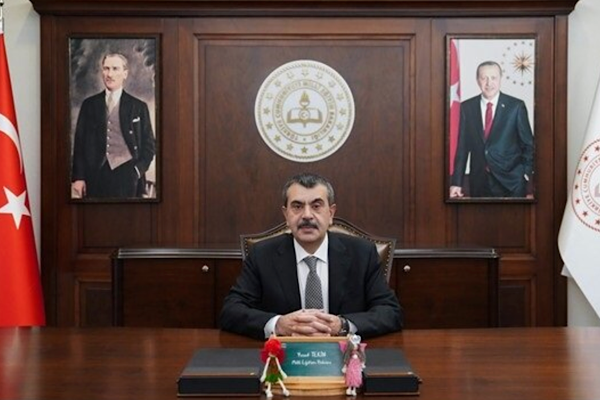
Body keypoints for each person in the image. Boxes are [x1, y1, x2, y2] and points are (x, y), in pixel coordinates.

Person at [219, 173, 403, 340]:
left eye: (316, 206)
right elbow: (231, 311)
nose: (307, 215)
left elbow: (390, 312)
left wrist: (343, 326)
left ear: (330, 213)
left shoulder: (362, 253)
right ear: (286, 214)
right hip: (285, 355)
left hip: (344, 355)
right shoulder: (262, 255)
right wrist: (278, 324)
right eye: (297, 207)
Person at [71, 53, 155, 199]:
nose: (109, 74)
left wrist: (137, 170)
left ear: (125, 74)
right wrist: (78, 177)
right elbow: (79, 144)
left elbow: (149, 145)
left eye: (115, 69)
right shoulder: (89, 105)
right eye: (106, 68)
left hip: (128, 176)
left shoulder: (138, 107)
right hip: (95, 176)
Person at [450, 60, 534, 198]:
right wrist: (456, 182)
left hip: (511, 182)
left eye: (493, 78)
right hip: (479, 182)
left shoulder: (516, 107)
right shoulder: (467, 108)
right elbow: (462, 148)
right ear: (478, 80)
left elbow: (529, 144)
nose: (489, 83)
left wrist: (525, 173)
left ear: (500, 79)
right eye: (484, 78)